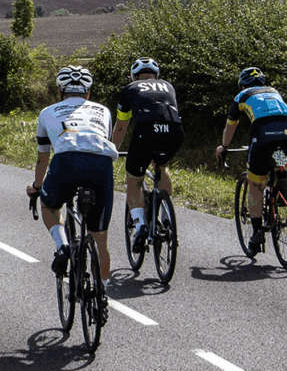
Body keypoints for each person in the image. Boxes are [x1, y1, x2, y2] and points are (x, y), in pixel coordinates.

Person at [26, 65, 118, 281]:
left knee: (49, 206)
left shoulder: (47, 112)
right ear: (88, 92)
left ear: (60, 91)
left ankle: (62, 245)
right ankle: (102, 294)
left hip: (66, 161)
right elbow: (107, 141)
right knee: (100, 239)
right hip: (100, 164)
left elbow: (43, 158)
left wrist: (37, 188)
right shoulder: (104, 111)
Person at [215, 68, 287, 256]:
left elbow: (231, 125)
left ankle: (256, 233)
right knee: (279, 151)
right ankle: (283, 179)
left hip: (263, 134)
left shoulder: (241, 96)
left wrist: (224, 146)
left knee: (255, 184)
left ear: (243, 85)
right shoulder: (274, 91)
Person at [111, 57, 183, 243]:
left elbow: (121, 126)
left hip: (146, 131)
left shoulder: (130, 88)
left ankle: (141, 224)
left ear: (135, 76)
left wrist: (112, 150)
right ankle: (167, 216)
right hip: (174, 131)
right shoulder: (168, 86)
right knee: (162, 166)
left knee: (134, 181)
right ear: (157, 75)